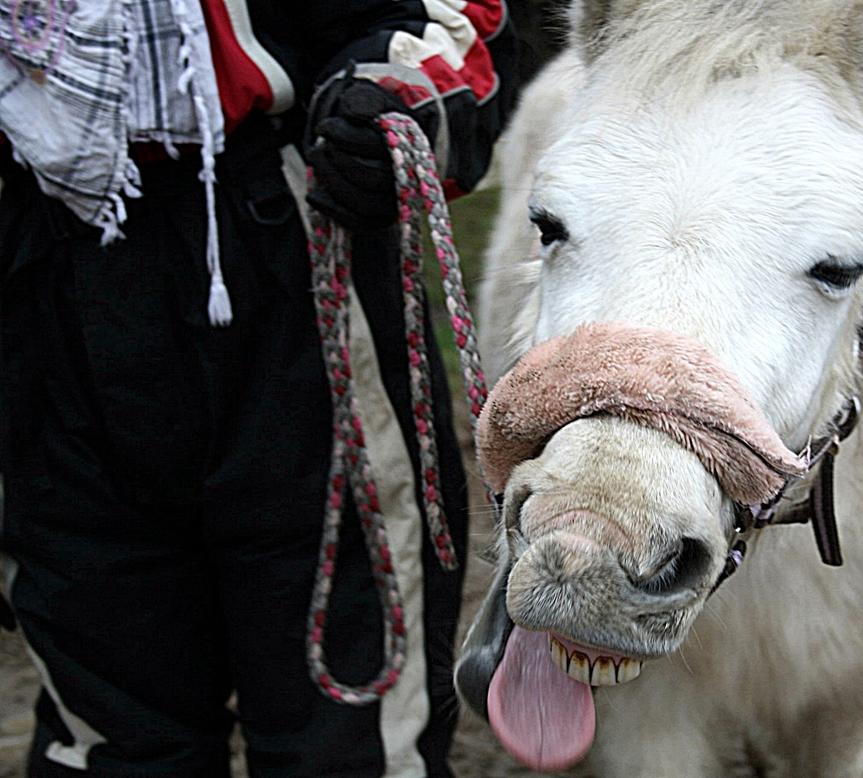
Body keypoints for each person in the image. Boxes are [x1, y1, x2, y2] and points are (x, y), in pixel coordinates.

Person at [0, 1, 516, 775]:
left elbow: (441, 19)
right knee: (104, 711)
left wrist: (388, 105)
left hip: (288, 254)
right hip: (44, 284)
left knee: (350, 723)